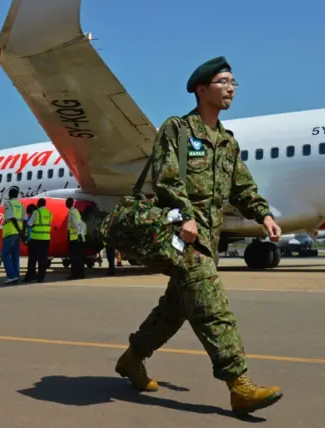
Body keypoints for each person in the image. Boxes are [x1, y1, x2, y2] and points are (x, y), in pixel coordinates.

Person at [114, 56, 283, 415]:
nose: (231, 88)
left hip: (209, 237)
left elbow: (243, 187)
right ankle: (239, 385)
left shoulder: (226, 141)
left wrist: (263, 214)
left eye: (234, 82)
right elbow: (168, 179)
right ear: (201, 89)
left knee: (175, 309)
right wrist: (186, 217)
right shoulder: (177, 129)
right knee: (212, 308)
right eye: (224, 82)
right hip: (183, 236)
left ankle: (132, 359)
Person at [23, 198, 52, 283]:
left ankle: (31, 276)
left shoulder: (36, 213)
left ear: (38, 204)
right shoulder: (49, 213)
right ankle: (41, 277)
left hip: (35, 238)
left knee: (32, 259)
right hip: (46, 238)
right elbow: (49, 224)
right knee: (43, 259)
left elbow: (29, 224)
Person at [1, 187, 23, 284]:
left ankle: (12, 275)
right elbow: (25, 219)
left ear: (9, 195)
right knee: (15, 255)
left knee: (4, 255)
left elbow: (11, 217)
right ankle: (16, 276)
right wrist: (21, 231)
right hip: (18, 233)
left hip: (10, 232)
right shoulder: (21, 205)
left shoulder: (8, 203)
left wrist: (17, 229)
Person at [65, 198, 86, 279]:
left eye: (67, 202)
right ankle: (81, 274)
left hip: (75, 238)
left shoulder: (72, 212)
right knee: (80, 258)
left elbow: (76, 224)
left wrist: (79, 233)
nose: (66, 203)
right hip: (79, 237)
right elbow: (81, 223)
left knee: (74, 258)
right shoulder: (76, 211)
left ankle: (74, 275)